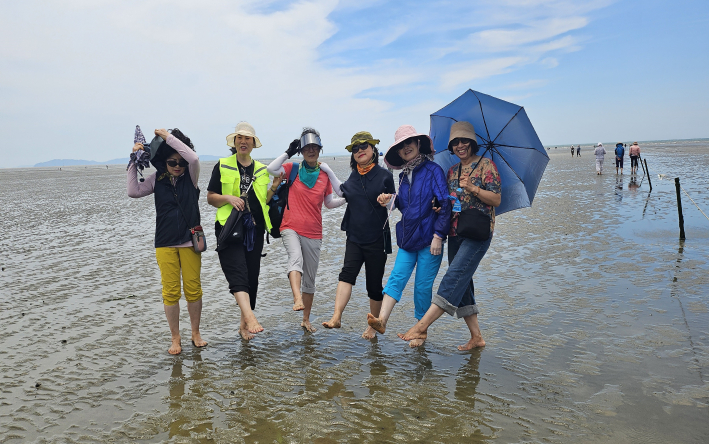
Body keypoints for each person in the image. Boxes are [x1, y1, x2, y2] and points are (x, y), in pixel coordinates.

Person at [397, 121, 501, 351]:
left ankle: (421, 326)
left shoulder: (486, 166)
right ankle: (477, 337)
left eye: (465, 141)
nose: (460, 146)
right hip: (455, 231)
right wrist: (437, 207)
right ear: (451, 147)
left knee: (453, 277)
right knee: (463, 283)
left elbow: (496, 199)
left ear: (472, 144)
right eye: (456, 143)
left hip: (478, 232)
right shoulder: (452, 171)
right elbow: (448, 201)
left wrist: (474, 189)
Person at [366, 125, 450, 347]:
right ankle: (382, 320)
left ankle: (420, 332)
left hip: (430, 238)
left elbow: (445, 204)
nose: (406, 148)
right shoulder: (403, 175)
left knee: (422, 286)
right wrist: (390, 199)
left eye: (409, 143)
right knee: (396, 278)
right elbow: (406, 205)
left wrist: (439, 236)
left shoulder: (434, 171)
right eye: (401, 146)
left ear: (419, 144)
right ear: (398, 152)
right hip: (408, 237)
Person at [127, 128, 206, 355]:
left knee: (193, 289)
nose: (178, 165)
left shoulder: (192, 174)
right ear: (163, 161)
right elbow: (133, 191)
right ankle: (175, 337)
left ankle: (196, 333)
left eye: (180, 161)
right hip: (164, 242)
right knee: (170, 292)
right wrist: (133, 160)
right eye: (172, 161)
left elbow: (193, 158)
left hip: (190, 241)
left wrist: (169, 138)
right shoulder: (157, 179)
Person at [267, 128, 346, 332]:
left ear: (319, 150)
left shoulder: (324, 175)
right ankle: (296, 297)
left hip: (314, 232)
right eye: (307, 148)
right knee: (295, 258)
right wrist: (288, 151)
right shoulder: (292, 168)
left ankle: (306, 319)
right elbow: (271, 169)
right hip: (290, 226)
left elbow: (329, 202)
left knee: (310, 278)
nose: (311, 151)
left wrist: (348, 198)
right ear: (301, 151)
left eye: (314, 147)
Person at [207, 122, 279, 341]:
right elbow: (211, 197)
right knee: (236, 272)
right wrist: (228, 198)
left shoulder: (261, 169)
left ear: (253, 144)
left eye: (248, 139)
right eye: (240, 138)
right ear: (235, 142)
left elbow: (262, 200)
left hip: (254, 229)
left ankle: (243, 325)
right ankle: (251, 317)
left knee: (251, 277)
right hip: (228, 227)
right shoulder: (222, 165)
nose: (244, 142)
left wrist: (275, 186)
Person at [320, 132, 395, 338]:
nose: (360, 150)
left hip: (377, 238)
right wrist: (326, 169)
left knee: (374, 284)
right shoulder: (354, 176)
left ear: (373, 150)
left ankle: (373, 326)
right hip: (354, 236)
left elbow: (395, 203)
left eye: (364, 146)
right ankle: (336, 317)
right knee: (346, 274)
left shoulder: (384, 175)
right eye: (355, 148)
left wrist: (388, 199)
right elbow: (341, 192)